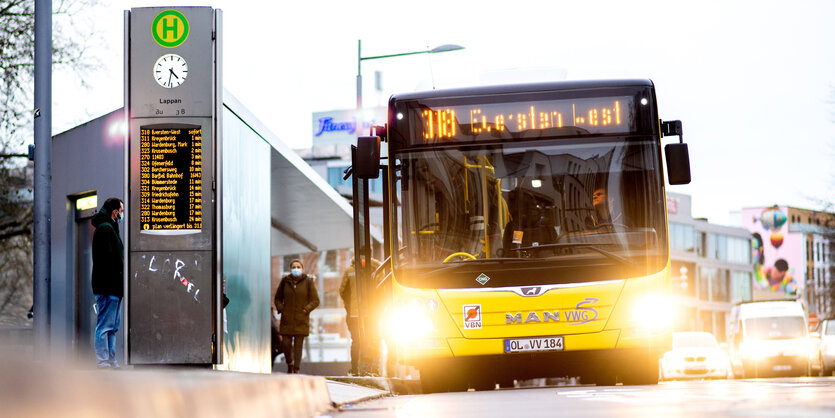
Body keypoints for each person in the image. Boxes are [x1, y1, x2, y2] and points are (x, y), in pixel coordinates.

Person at [91, 197, 124, 369]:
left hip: (113, 288)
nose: (122, 214)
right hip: (108, 287)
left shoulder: (109, 228)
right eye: (121, 210)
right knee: (105, 325)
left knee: (112, 326)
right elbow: (108, 260)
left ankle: (110, 360)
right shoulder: (106, 229)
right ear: (115, 211)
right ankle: (103, 360)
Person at [274, 259, 320, 374]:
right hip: (287, 319)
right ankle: (289, 363)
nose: (296, 269)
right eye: (294, 267)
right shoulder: (285, 281)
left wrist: (306, 309)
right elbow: (277, 298)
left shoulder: (308, 282)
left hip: (301, 319)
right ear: (290, 269)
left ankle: (296, 368)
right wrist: (281, 308)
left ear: (302, 269)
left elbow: (315, 300)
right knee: (286, 345)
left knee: (299, 345)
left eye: (298, 267)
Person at [339, 257, 360, 375]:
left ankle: (355, 368)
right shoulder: (373, 269)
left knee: (356, 340)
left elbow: (342, 290)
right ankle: (366, 368)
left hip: (354, 313)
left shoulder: (349, 271)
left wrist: (349, 305)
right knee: (367, 340)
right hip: (367, 313)